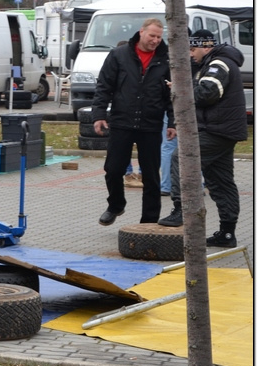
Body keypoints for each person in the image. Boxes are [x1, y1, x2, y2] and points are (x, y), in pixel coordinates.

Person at [158, 29, 246, 248]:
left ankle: (179, 209)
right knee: (221, 181)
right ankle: (227, 233)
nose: (190, 54)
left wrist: (180, 90)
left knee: (182, 157)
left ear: (205, 46)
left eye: (192, 49)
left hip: (217, 130)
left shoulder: (219, 64)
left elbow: (207, 93)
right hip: (223, 129)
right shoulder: (214, 63)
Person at [92, 18, 175, 226]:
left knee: (151, 177)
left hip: (151, 124)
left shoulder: (166, 60)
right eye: (152, 36)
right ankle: (116, 205)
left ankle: (149, 220)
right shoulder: (119, 55)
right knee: (113, 170)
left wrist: (173, 122)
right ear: (141, 32)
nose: (155, 40)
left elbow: (172, 94)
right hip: (122, 121)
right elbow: (104, 86)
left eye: (159, 37)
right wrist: (99, 114)